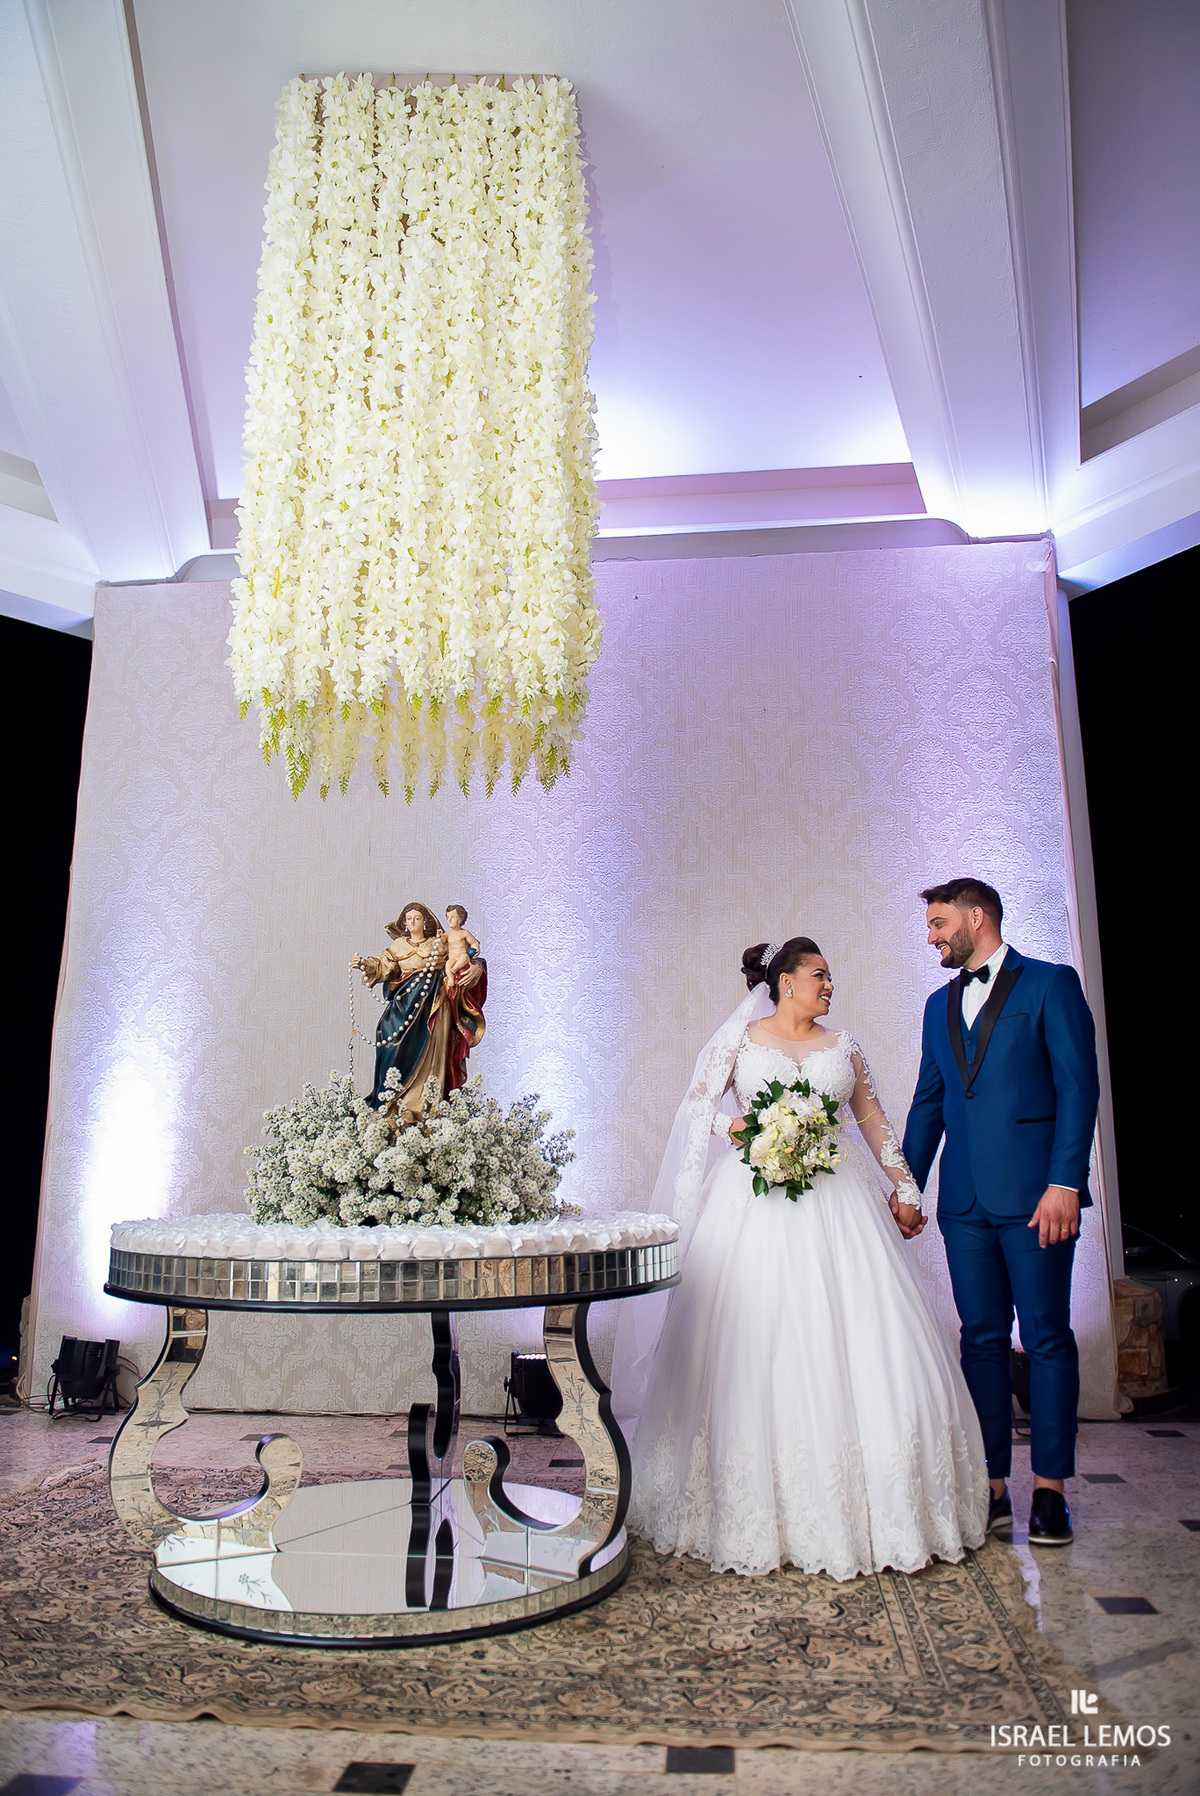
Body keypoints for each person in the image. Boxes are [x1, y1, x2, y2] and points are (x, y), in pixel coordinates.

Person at [623, 937, 988, 1580]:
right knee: (758, 1338)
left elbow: (871, 1118)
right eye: (819, 975)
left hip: (838, 1201)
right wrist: (742, 1131)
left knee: (862, 1339)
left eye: (830, 976)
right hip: (753, 1205)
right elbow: (697, 1106)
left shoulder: (843, 1047)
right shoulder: (741, 1040)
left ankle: (880, 1505)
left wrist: (904, 1184)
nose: (828, 986)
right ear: (785, 981)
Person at [902, 879, 1100, 1549]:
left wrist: (1065, 1181)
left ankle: (1049, 1493)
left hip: (1038, 1198)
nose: (930, 935)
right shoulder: (936, 1006)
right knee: (979, 1340)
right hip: (964, 1203)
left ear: (976, 917)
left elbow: (1079, 1087)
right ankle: (991, 1486)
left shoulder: (1051, 984)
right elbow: (930, 1102)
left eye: (938, 922)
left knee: (1045, 1336)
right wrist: (908, 1187)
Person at [352, 901, 485, 1124]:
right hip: (404, 1004)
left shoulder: (437, 945)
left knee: (432, 1051)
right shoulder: (398, 947)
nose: (413, 922)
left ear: (426, 922)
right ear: (403, 923)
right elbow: (383, 967)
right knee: (388, 1037)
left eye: (417, 918)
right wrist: (364, 964)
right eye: (409, 919)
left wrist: (475, 967)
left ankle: (424, 1105)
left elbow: (463, 955)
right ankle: (391, 1103)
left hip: (434, 1006)